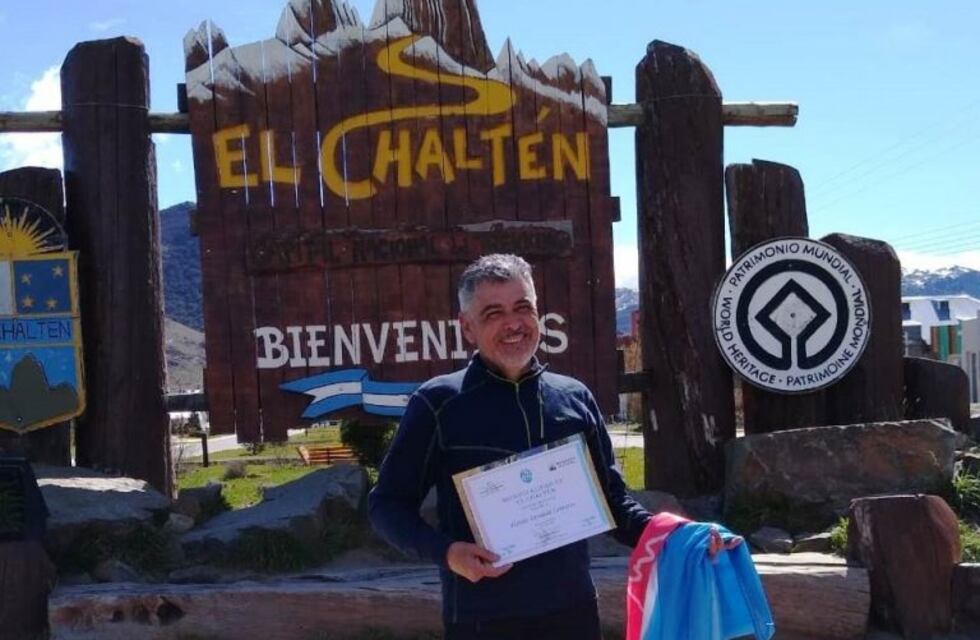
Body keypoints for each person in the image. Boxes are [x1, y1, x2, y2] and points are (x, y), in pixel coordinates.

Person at [368, 254, 651, 640]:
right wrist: (447, 552)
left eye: (523, 307)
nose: (513, 323)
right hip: (482, 620)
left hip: (574, 614)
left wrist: (677, 536)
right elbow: (386, 505)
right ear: (467, 327)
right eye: (493, 313)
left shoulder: (574, 398)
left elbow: (613, 502)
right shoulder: (437, 405)